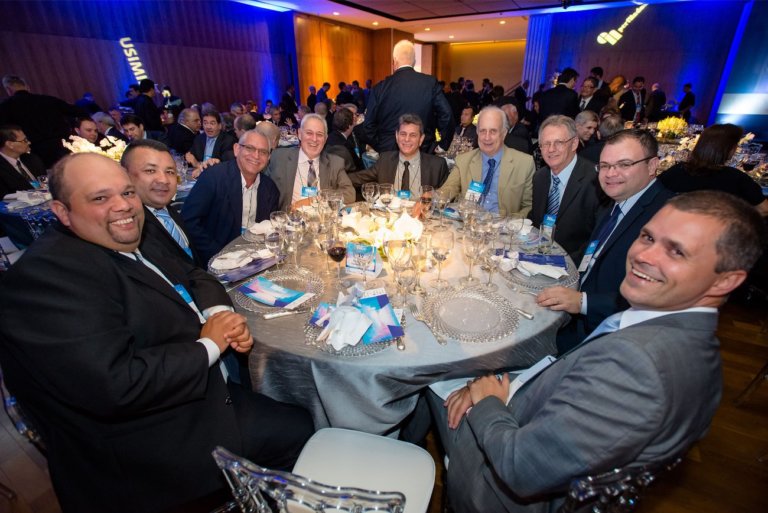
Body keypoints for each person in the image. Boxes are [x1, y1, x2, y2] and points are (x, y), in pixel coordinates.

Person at [0, 152, 314, 513]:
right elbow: (117, 385)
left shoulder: (132, 230)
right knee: (302, 426)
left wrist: (221, 315)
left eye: (127, 193)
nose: (123, 206)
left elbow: (193, 273)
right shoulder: (46, 280)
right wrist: (210, 344)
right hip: (147, 442)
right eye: (100, 198)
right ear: (62, 212)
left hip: (188, 380)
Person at [429, 189, 765, 513]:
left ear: (725, 281)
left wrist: (488, 401)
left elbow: (520, 467)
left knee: (431, 375)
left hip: (497, 490)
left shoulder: (639, 367)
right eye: (647, 237)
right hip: (538, 414)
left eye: (676, 252)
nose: (644, 256)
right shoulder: (691, 342)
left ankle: (422, 470)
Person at [537, 129, 675, 354]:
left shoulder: (667, 216)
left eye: (624, 164)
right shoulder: (616, 202)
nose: (611, 174)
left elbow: (658, 298)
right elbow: (592, 255)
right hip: (577, 315)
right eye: (605, 166)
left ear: (652, 165)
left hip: (608, 340)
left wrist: (582, 302)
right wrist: (544, 264)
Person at [182, 129, 280, 264]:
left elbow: (269, 229)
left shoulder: (270, 189)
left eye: (263, 152)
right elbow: (188, 221)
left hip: (255, 261)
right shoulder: (213, 177)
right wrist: (219, 257)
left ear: (268, 157)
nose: (256, 156)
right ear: (236, 149)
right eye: (250, 148)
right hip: (216, 260)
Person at [529, 116, 606, 264]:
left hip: (573, 263)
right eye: (546, 144)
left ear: (574, 143)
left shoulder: (596, 180)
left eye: (559, 142)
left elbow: (597, 237)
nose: (551, 149)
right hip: (538, 257)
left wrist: (561, 263)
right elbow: (536, 220)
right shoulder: (540, 177)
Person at [439, 106, 534, 217]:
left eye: (493, 131)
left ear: (504, 134)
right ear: (477, 132)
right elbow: (448, 189)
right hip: (469, 222)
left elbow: (528, 206)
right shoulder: (463, 160)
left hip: (503, 225)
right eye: (482, 131)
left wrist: (509, 223)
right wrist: (431, 198)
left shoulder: (524, 164)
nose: (487, 137)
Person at [361, 40, 453, 154]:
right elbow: (447, 115)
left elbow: (368, 126)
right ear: (414, 61)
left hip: (389, 153)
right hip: (422, 150)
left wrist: (382, 146)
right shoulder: (430, 83)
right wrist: (443, 144)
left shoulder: (380, 88)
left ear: (394, 62)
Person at [658, 124, 768, 216]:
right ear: (728, 149)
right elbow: (764, 209)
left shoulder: (676, 171)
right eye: (736, 145)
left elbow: (654, 197)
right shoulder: (736, 178)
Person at [121, 139, 201, 265]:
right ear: (124, 174)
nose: (164, 180)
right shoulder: (130, 228)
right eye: (150, 171)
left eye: (170, 172)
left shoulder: (169, 210)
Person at [267, 113, 355, 210]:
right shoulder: (279, 158)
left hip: (322, 217)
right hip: (290, 217)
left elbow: (350, 194)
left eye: (319, 134)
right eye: (309, 133)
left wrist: (315, 200)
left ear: (325, 139)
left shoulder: (335, 163)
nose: (314, 139)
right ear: (299, 134)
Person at [0, 74, 89, 167]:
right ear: (27, 87)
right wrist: (73, 129)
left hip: (35, 153)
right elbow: (80, 112)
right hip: (62, 147)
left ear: (8, 89)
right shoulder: (48, 99)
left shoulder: (6, 107)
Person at [349, 113, 450, 194]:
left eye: (413, 135)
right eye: (403, 134)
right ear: (397, 136)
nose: (407, 139)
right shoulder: (385, 160)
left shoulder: (437, 165)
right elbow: (359, 178)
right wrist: (338, 176)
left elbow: (448, 196)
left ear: (421, 139)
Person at [0, 124, 45, 198]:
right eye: (24, 140)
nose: (29, 142)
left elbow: (45, 180)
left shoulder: (32, 159)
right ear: (10, 144)